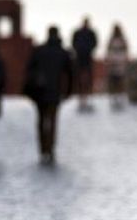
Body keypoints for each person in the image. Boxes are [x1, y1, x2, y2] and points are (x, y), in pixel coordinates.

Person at [24, 26, 74, 164]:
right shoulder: (63, 52)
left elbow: (29, 70)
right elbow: (70, 74)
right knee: (52, 121)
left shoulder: (39, 50)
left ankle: (42, 149)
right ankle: (50, 148)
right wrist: (68, 92)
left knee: (40, 121)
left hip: (40, 92)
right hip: (55, 92)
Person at [71, 17, 98, 111]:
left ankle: (86, 100)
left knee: (87, 80)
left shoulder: (91, 33)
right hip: (80, 58)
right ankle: (81, 101)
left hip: (87, 58)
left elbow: (95, 43)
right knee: (80, 80)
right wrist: (79, 50)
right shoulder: (78, 33)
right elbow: (73, 43)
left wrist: (88, 50)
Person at [106, 24, 130, 108]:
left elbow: (126, 50)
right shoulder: (111, 40)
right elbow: (108, 51)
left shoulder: (122, 40)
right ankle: (115, 97)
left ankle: (121, 97)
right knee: (114, 82)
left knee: (120, 81)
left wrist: (124, 60)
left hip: (120, 63)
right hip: (113, 63)